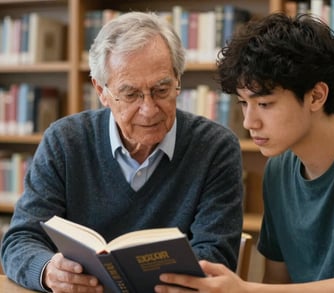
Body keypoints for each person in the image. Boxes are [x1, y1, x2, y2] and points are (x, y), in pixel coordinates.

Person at [0, 11, 244, 292]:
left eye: (161, 90)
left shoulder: (215, 148)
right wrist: (49, 271)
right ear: (101, 91)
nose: (149, 109)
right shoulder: (65, 140)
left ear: (178, 80)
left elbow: (215, 256)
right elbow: (20, 239)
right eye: (130, 94)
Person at [154, 12, 334, 293]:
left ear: (317, 96)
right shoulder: (279, 169)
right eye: (244, 103)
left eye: (265, 104)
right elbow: (277, 283)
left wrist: (245, 290)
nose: (249, 122)